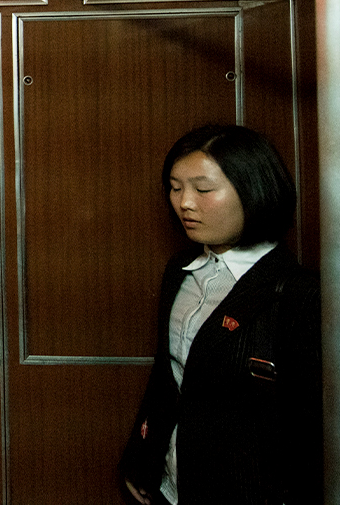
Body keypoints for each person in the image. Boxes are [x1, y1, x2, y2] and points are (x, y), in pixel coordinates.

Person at [121, 124, 322, 505]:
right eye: (176, 187)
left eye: (203, 189)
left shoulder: (298, 294)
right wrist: (140, 457)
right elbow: (169, 378)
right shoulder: (180, 270)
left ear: (253, 190)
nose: (184, 203)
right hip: (170, 485)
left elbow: (313, 432)